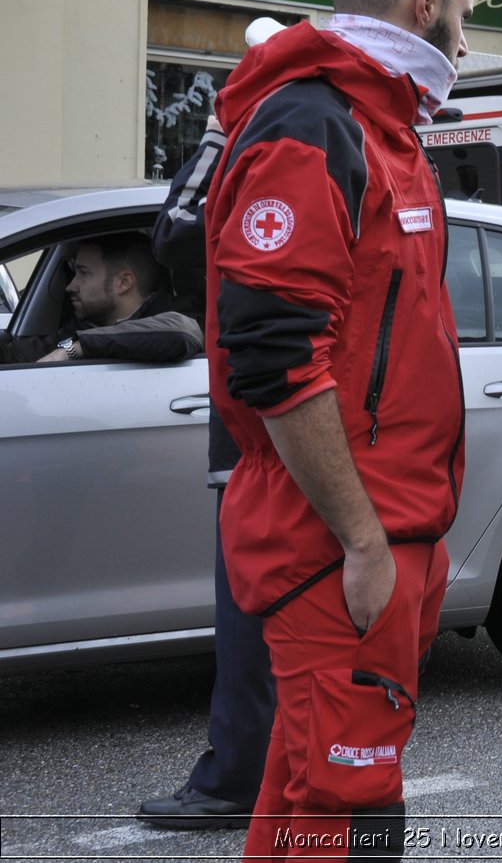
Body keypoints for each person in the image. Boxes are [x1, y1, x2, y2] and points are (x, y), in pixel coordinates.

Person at [201, 0, 473, 859]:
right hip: (339, 542)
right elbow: (272, 354)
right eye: (463, 19)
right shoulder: (318, 122)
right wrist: (362, 538)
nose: (466, 44)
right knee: (346, 808)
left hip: (377, 534)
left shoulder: (374, 124)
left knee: (305, 792)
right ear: (425, 2)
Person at [136, 118, 272, 831]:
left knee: (248, 622)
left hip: (257, 435)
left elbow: (175, 230)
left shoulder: (260, 145)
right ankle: (290, 774)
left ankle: (239, 780)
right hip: (310, 428)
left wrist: (220, 133)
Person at [0, 232, 200, 365]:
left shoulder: (180, 314)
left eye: (84, 273)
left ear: (123, 282)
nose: (71, 286)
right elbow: (18, 355)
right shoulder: (87, 326)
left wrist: (77, 347)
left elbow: (180, 332)